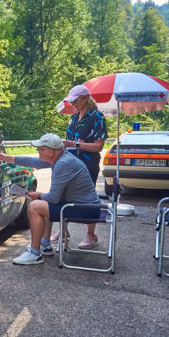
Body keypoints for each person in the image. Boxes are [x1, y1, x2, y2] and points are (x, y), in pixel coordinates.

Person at [0, 133, 100, 265]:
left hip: (86, 209)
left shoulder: (63, 163)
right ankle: (44, 244)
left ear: (50, 152)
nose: (37, 151)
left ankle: (35, 254)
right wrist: (5, 157)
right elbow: (33, 162)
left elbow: (54, 198)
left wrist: (37, 195)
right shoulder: (62, 157)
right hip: (82, 205)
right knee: (43, 202)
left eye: (40, 149)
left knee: (35, 206)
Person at [58, 84, 108, 249]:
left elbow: (99, 146)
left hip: (88, 164)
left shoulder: (97, 117)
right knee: (64, 195)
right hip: (70, 163)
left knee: (88, 198)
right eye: (71, 101)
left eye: (75, 101)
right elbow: (68, 141)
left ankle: (91, 235)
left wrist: (75, 144)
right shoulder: (73, 118)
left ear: (85, 98)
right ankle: (62, 230)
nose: (73, 104)